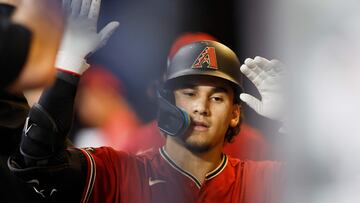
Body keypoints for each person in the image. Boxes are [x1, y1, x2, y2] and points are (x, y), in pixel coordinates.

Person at [8, 1, 284, 203]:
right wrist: (68, 65)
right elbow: (38, 165)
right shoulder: (121, 172)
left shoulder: (257, 180)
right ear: (166, 101)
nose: (202, 106)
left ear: (235, 113)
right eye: (189, 93)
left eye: (217, 97)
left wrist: (293, 119)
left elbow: (322, 184)